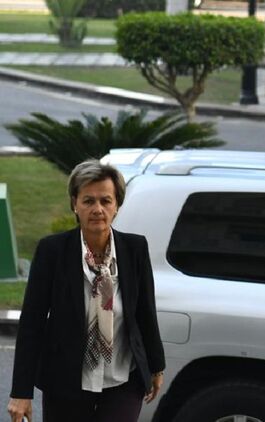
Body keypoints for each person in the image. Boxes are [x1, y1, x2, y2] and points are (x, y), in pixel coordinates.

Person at [7, 159, 165, 422]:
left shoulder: (135, 249)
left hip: (123, 379)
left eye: (106, 201)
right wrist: (20, 392)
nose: (97, 209)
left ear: (117, 205)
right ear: (74, 204)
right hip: (66, 382)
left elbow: (145, 312)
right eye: (88, 201)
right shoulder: (52, 251)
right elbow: (32, 323)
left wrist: (156, 366)